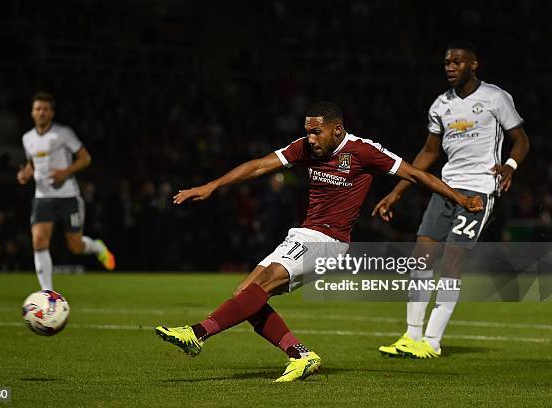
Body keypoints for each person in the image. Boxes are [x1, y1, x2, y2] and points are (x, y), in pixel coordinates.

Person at [155, 101, 484, 382]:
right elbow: (258, 166)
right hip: (303, 234)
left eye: (317, 132)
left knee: (264, 284)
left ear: (337, 130)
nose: (310, 139)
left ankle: (197, 333)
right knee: (244, 294)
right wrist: (211, 186)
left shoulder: (362, 151)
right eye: (308, 132)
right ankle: (300, 355)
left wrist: (462, 199)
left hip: (329, 240)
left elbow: (416, 174)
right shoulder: (303, 148)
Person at [376, 41, 530, 358]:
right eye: (447, 62)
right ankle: (411, 336)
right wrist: (397, 191)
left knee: (452, 261)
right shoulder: (440, 105)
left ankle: (432, 342)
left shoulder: (495, 97)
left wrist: (510, 166)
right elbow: (429, 153)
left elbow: (521, 140)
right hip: (447, 189)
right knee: (422, 257)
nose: (450, 67)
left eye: (457, 62)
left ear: (474, 64)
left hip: (479, 190)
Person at [17, 91, 116, 290]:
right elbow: (32, 163)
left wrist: (65, 172)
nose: (41, 113)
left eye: (45, 109)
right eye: (38, 109)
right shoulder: (27, 138)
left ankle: (97, 247)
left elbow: (85, 158)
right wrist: (25, 174)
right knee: (39, 241)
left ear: (52, 113)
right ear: (32, 113)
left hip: (68, 196)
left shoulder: (63, 134)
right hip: (43, 197)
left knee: (75, 246)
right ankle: (47, 293)